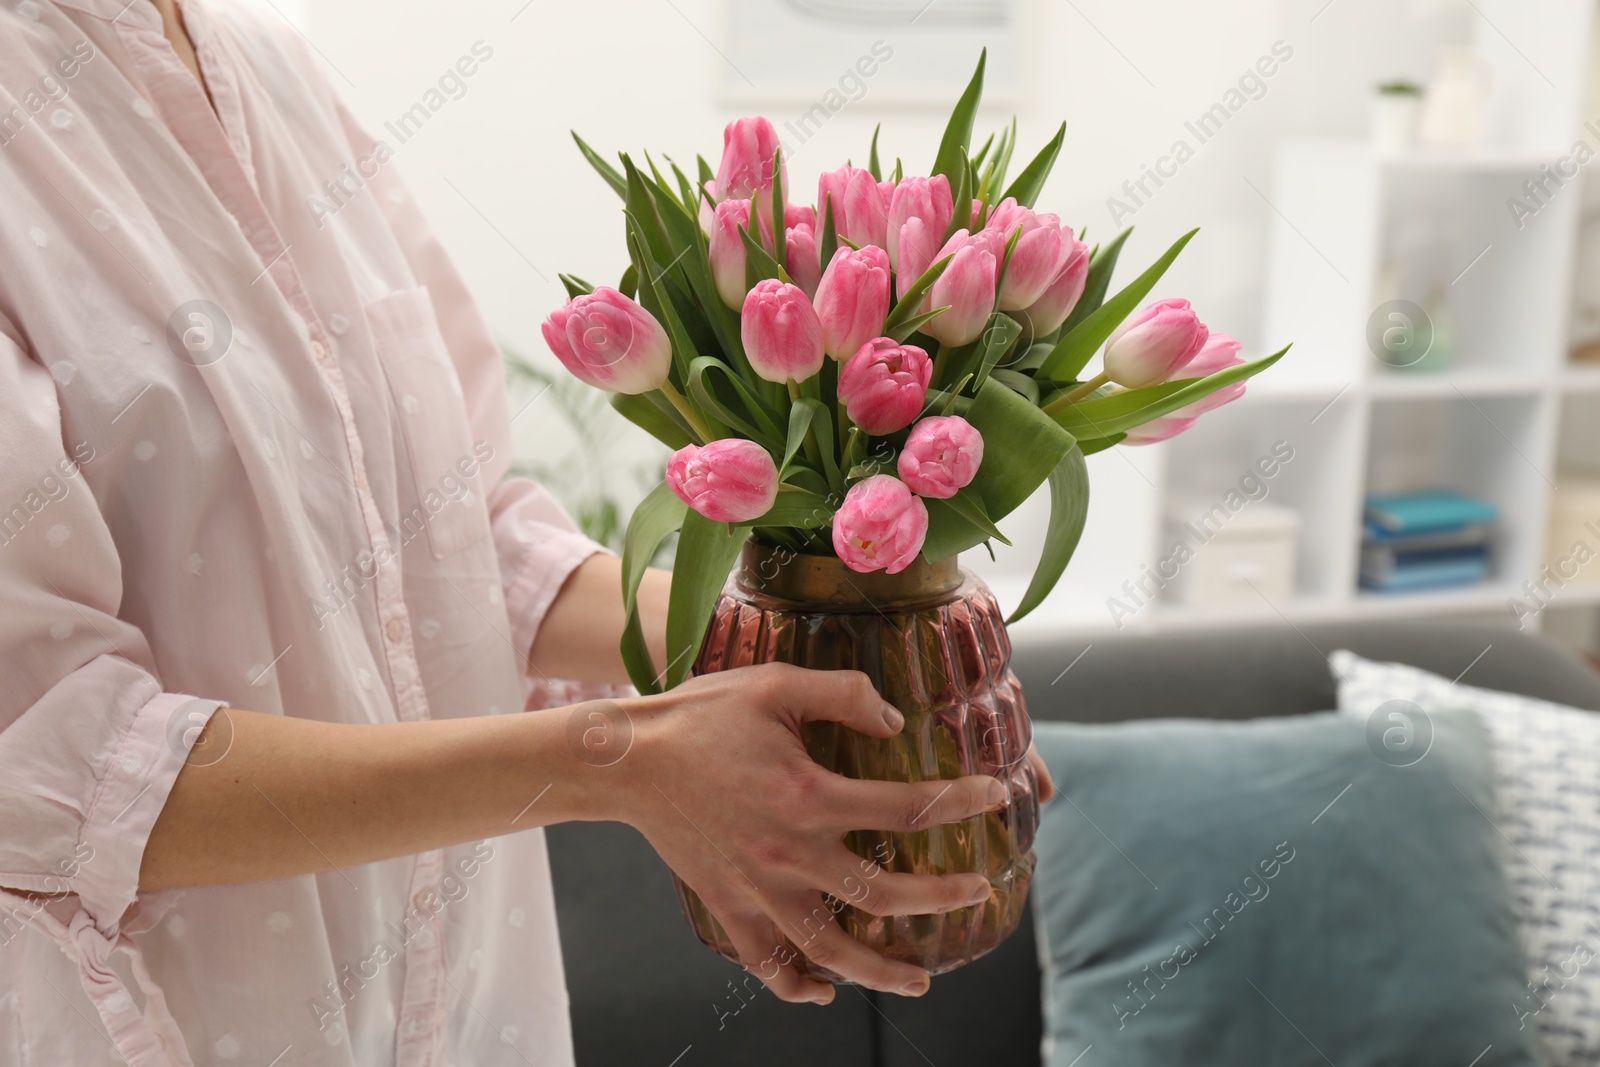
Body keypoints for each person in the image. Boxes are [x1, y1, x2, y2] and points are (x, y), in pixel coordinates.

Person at [0, 0, 1053, 1063]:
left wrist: (853, 655)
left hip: (469, 1016)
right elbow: (50, 762)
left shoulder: (275, 73)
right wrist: (621, 760)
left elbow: (457, 536)